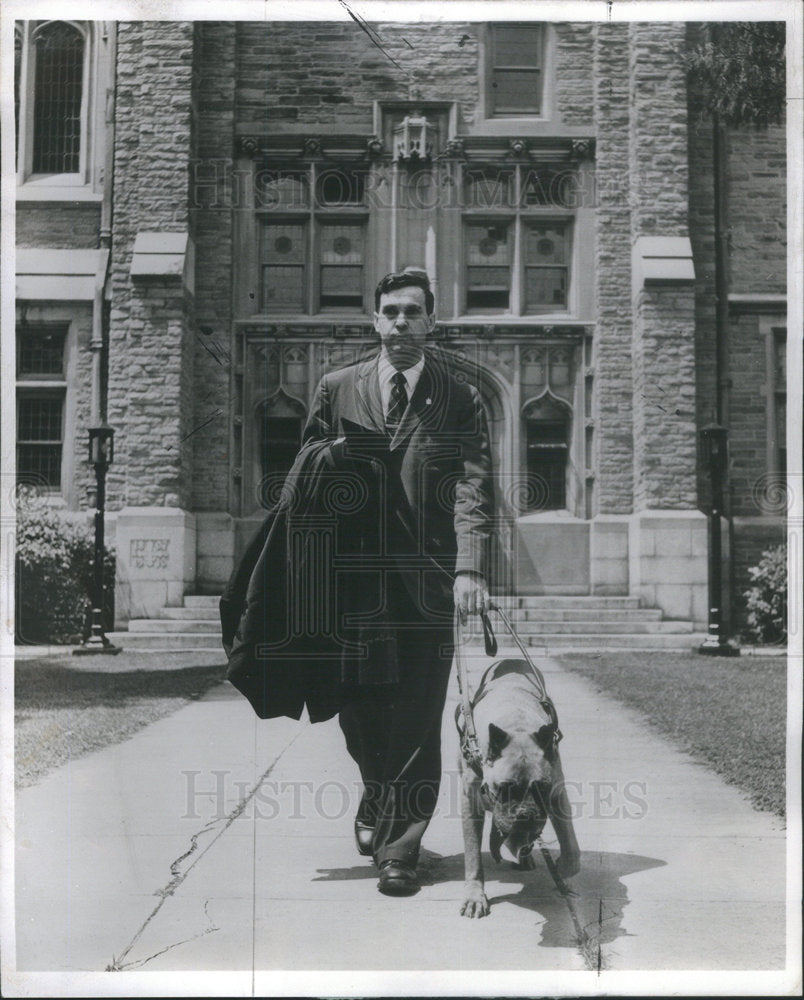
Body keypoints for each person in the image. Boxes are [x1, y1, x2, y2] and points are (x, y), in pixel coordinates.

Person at [300, 269, 495, 896]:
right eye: (391, 312)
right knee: (358, 713)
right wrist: (328, 458)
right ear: (375, 321)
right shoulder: (336, 388)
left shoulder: (458, 395)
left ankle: (400, 850)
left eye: (414, 312)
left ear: (431, 322)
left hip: (428, 586)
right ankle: (377, 796)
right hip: (354, 584)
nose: (402, 323)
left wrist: (470, 566)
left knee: (415, 714)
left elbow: (472, 484)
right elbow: (301, 472)